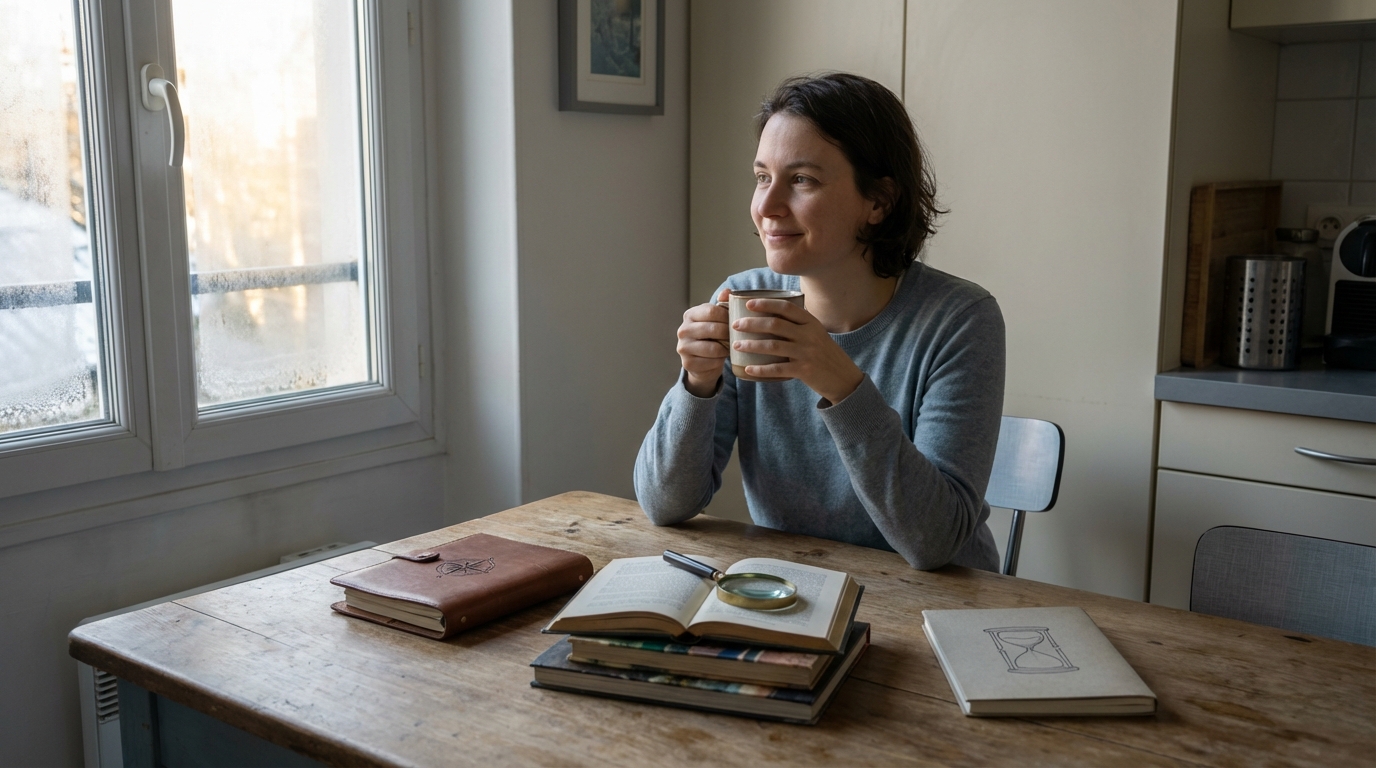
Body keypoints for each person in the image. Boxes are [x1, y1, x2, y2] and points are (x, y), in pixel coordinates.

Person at [634, 73, 1005, 571]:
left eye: (802, 179)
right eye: (762, 177)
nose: (765, 207)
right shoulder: (745, 299)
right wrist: (697, 386)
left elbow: (934, 542)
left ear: (878, 201)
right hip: (793, 593)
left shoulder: (959, 321)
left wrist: (840, 382)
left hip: (939, 606)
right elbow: (665, 504)